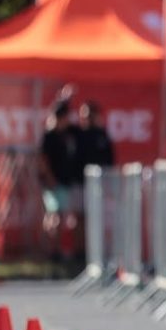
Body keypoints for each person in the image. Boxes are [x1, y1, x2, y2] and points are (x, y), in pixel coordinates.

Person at [39, 85, 83, 269]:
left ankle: (65, 251)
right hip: (52, 182)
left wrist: (65, 99)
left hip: (65, 181)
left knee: (65, 216)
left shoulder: (69, 133)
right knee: (54, 216)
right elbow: (43, 160)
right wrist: (49, 178)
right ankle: (52, 251)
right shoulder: (49, 136)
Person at [77, 101, 115, 168]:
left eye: (90, 117)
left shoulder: (101, 134)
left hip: (100, 173)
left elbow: (109, 156)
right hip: (81, 174)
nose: (87, 120)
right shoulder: (78, 134)